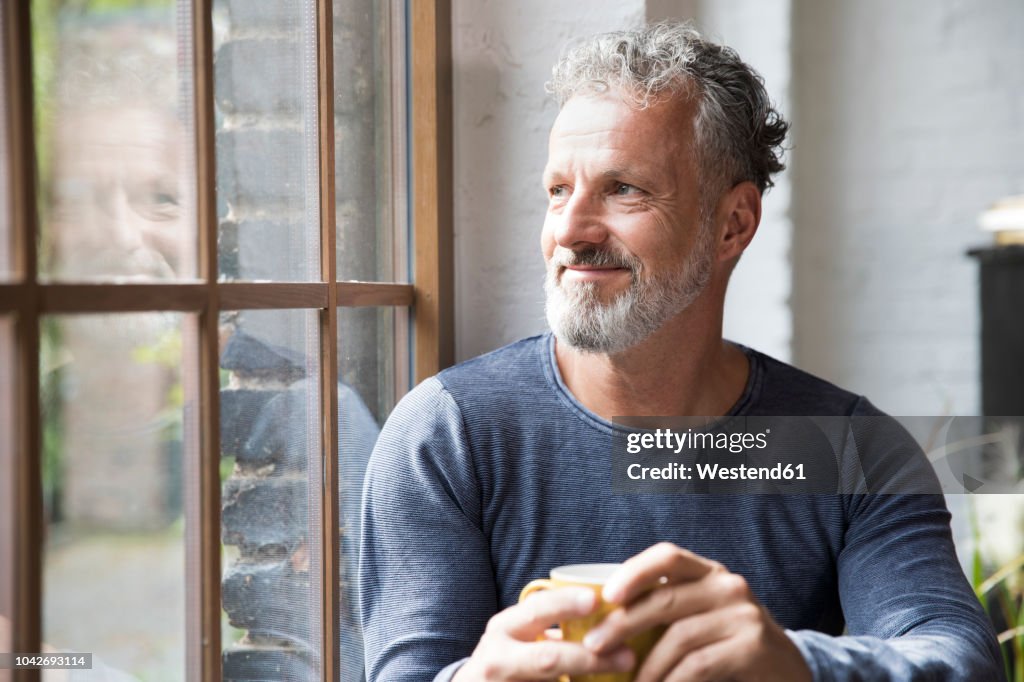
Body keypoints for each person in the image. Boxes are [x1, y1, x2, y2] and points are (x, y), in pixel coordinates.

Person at [359, 22, 1003, 681]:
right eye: (558, 191)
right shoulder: (449, 435)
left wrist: (795, 664)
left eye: (623, 189)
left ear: (733, 225)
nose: (571, 232)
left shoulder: (844, 450)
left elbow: (961, 661)